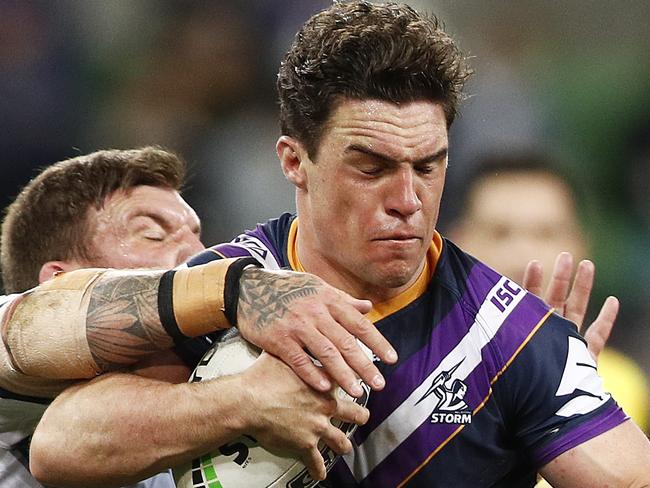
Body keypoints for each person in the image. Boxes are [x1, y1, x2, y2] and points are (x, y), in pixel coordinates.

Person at [21, 2, 650, 486]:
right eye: (371, 167)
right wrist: (238, 403)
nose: (407, 199)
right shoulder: (225, 286)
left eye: (428, 166)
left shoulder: (513, 338)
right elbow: (59, 447)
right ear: (295, 161)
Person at [0, 147, 394, 486]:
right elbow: (37, 330)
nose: (199, 253)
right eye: (152, 234)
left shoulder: (177, 416)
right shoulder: (14, 330)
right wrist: (232, 287)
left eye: (196, 234)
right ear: (60, 282)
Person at [447, 151, 649, 433]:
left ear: (580, 245)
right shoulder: (409, 374)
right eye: (500, 233)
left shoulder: (619, 387)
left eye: (546, 233)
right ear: (456, 245)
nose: (523, 259)